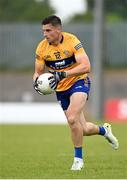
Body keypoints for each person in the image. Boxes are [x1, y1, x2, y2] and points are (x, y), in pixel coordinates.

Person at [33, 15, 119, 171]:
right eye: (43, 31)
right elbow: (38, 72)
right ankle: (104, 130)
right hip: (60, 90)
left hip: (79, 82)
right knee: (83, 129)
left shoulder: (72, 41)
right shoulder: (41, 48)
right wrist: (37, 83)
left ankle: (78, 160)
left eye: (48, 30)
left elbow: (86, 66)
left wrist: (64, 74)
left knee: (72, 118)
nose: (44, 34)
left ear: (58, 29)